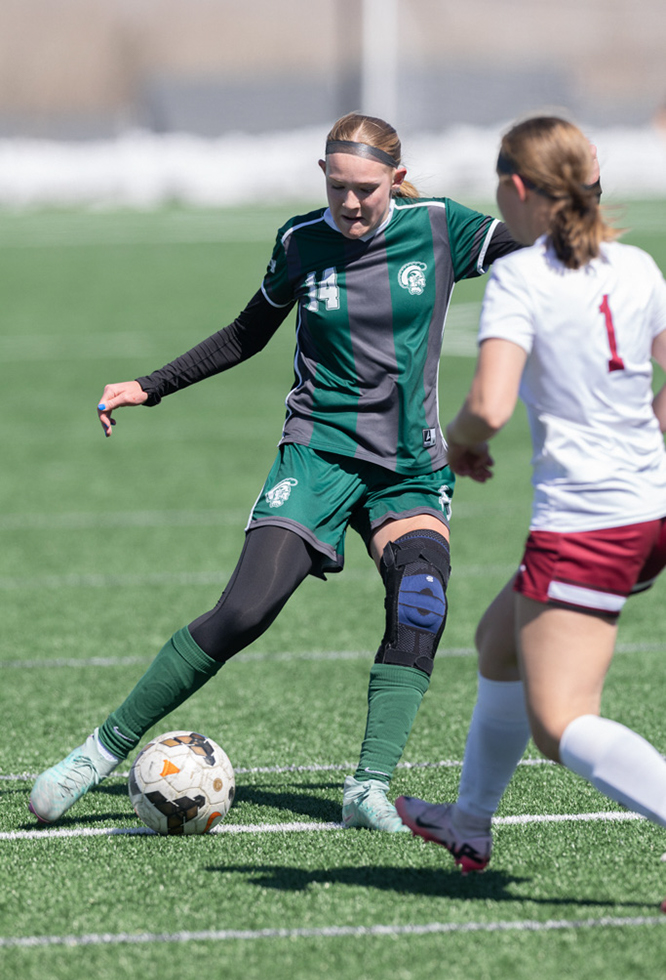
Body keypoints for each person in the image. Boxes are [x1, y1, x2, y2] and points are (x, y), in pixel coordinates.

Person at [29, 111, 526, 833]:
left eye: (365, 189)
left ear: (396, 178)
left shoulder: (441, 227)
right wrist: (149, 385)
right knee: (244, 611)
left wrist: (581, 196)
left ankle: (368, 788)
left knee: (420, 601)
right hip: (317, 453)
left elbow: (543, 243)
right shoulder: (300, 242)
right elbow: (246, 333)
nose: (350, 203)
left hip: (409, 468)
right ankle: (94, 755)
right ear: (322, 176)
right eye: (337, 187)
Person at [396, 114, 666, 869]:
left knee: (560, 724)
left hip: (586, 524)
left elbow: (489, 406)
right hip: (647, 511)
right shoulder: (637, 265)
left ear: (516, 189)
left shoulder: (521, 276)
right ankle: (469, 822)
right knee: (499, 644)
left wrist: (459, 443)